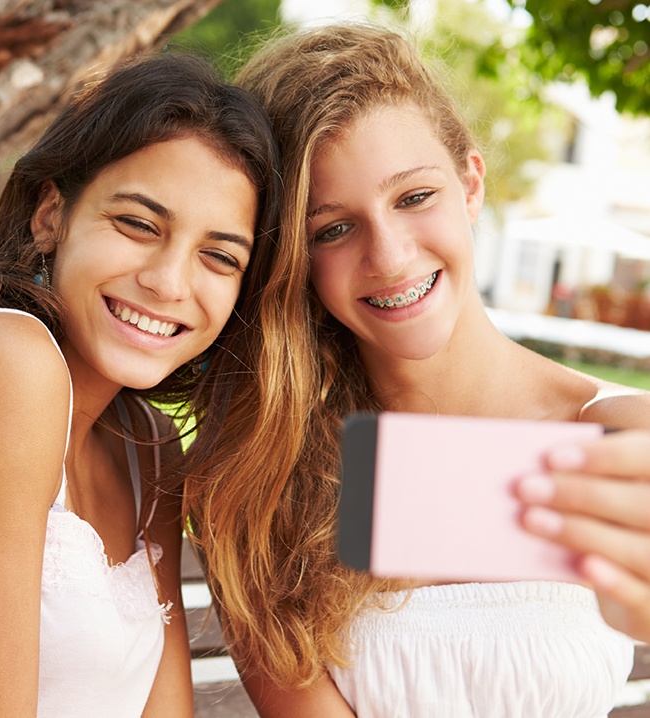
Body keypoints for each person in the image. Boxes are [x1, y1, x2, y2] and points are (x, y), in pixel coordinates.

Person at [181, 24, 650, 717]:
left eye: (414, 197)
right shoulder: (262, 478)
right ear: (291, 258)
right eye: (332, 229)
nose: (391, 258)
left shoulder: (616, 434)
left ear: (470, 184)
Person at [0, 49, 287, 717]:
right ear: (51, 215)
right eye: (138, 224)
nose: (168, 282)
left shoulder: (151, 446)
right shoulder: (5, 359)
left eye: (219, 256)